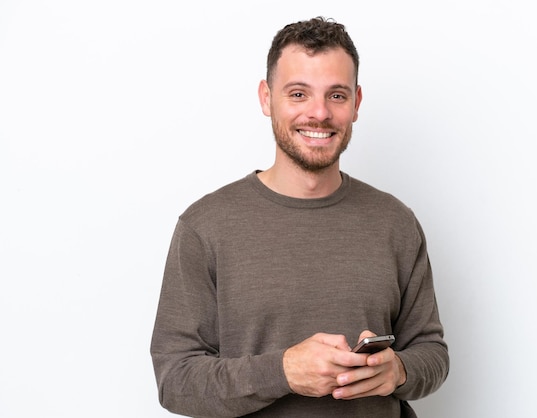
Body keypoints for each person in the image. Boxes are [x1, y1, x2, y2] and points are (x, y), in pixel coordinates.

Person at [150, 16, 449, 418]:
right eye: (298, 94)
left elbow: (432, 354)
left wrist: (398, 370)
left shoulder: (395, 222)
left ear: (356, 103)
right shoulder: (205, 226)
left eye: (337, 96)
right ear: (266, 97)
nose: (319, 113)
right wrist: (283, 371)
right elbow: (175, 380)